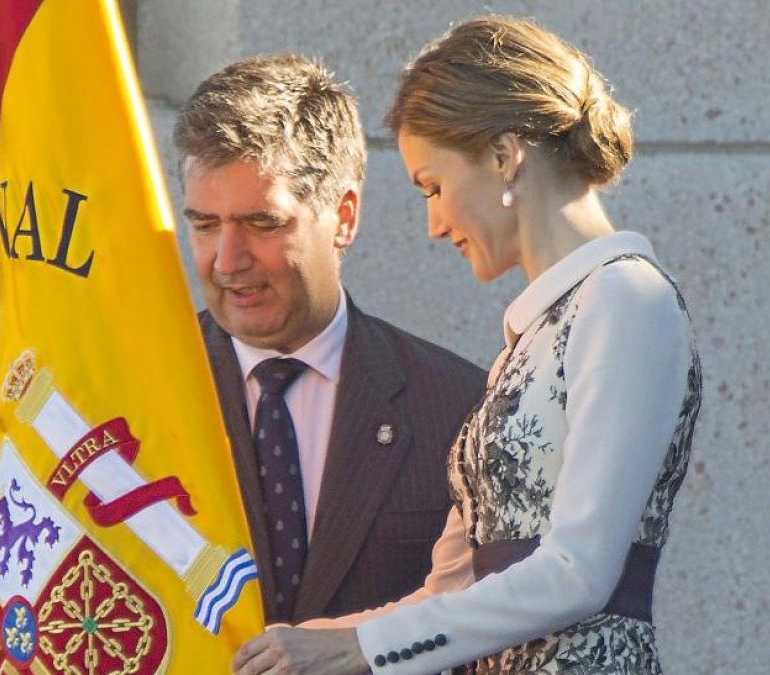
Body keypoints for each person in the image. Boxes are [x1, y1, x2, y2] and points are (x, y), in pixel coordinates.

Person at [231, 16, 703, 675]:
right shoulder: (529, 342)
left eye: (433, 186)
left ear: (506, 154)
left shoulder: (627, 298)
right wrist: (308, 643)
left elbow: (578, 571)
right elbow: (453, 591)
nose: (433, 223)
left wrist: (359, 650)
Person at [173, 54, 486, 627]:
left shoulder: (459, 407)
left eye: (262, 224)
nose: (227, 261)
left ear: (343, 217)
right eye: (204, 225)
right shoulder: (137, 389)